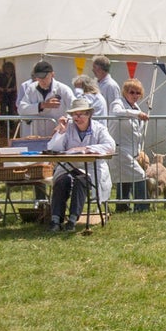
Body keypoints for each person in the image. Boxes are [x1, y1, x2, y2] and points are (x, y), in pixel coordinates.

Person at [46, 96, 116, 233]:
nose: (78, 117)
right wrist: (61, 131)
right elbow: (53, 148)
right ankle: (55, 219)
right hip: (68, 167)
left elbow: (110, 146)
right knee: (62, 181)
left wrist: (86, 149)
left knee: (81, 181)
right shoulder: (68, 128)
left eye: (81, 114)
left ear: (89, 114)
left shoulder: (99, 129)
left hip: (91, 169)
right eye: (75, 114)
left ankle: (72, 220)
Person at [107, 76, 153, 212]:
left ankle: (122, 207)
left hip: (131, 149)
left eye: (137, 93)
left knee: (125, 178)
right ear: (125, 92)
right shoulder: (117, 103)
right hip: (119, 147)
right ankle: (142, 207)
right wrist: (136, 113)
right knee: (139, 175)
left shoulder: (136, 106)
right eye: (131, 92)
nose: (135, 95)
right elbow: (116, 113)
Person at [16, 59, 68, 141]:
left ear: (52, 75)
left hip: (58, 133)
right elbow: (21, 109)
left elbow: (74, 109)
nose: (42, 81)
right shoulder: (31, 88)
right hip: (37, 133)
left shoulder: (63, 89)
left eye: (45, 77)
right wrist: (41, 105)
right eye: (39, 78)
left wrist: (64, 122)